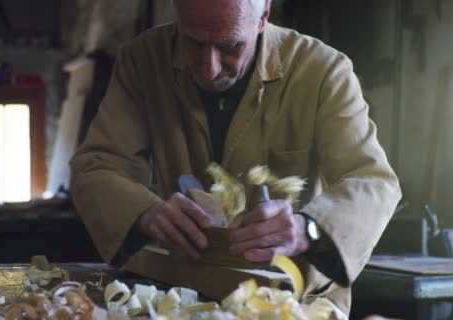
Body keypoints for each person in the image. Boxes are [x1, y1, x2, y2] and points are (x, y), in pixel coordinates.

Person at [70, 0, 401, 314]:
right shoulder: (143, 61)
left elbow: (373, 182)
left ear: (263, 16)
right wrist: (144, 212)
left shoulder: (323, 70)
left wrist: (308, 229)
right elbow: (98, 165)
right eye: (193, 43)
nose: (210, 69)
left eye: (229, 46)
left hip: (295, 302)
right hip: (181, 295)